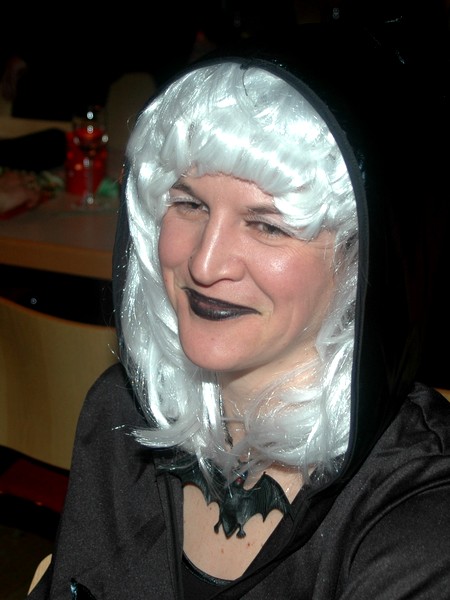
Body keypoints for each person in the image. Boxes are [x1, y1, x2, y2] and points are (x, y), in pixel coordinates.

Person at [28, 20, 450, 599]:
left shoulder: (420, 518)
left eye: (267, 225)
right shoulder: (120, 416)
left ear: (360, 261)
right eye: (189, 204)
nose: (205, 263)